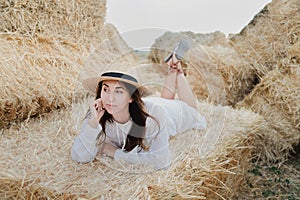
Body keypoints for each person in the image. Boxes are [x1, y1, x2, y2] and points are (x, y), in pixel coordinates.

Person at [71, 55, 206, 170]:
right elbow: (79, 156)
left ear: (131, 97)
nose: (110, 99)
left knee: (190, 109)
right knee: (165, 99)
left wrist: (114, 152)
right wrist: (93, 123)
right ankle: (173, 66)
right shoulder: (97, 112)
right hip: (148, 104)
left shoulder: (154, 116)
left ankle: (179, 71)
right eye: (106, 89)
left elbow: (162, 162)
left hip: (170, 113)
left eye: (119, 91)